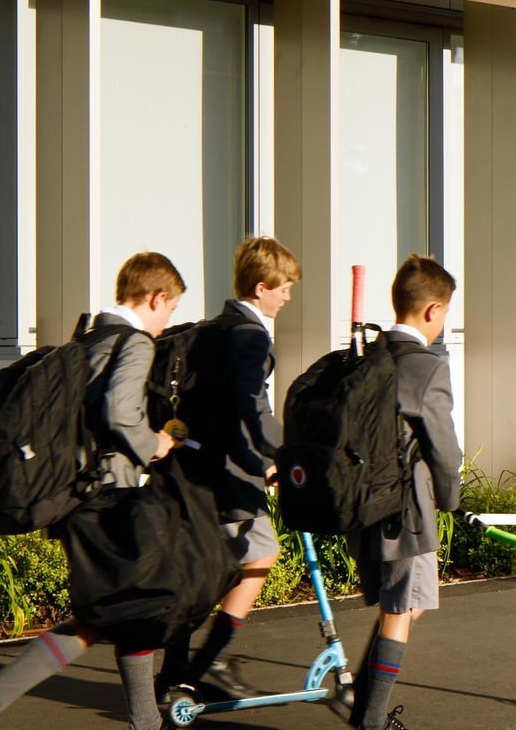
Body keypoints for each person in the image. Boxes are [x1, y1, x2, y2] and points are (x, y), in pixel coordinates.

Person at [0, 253, 188, 730]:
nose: (167, 321)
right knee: (134, 603)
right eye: (170, 309)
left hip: (72, 492)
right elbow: (119, 414)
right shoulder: (134, 343)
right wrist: (154, 443)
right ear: (156, 298)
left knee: (111, 611)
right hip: (107, 495)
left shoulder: (90, 337)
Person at [170, 236, 300, 699]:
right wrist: (281, 457)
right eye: (283, 288)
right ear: (262, 287)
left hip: (193, 464)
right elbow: (251, 409)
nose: (287, 296)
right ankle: (203, 667)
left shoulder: (212, 328)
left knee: (205, 570)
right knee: (260, 555)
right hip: (226, 473)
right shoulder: (250, 336)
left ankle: (176, 671)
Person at [347, 255, 462, 730]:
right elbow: (445, 451)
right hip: (407, 511)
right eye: (446, 315)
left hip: (361, 504)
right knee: (401, 610)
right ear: (433, 310)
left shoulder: (364, 356)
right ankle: (371, 720)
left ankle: (365, 703)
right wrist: (452, 502)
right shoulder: (426, 366)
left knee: (407, 605)